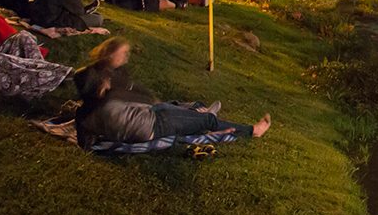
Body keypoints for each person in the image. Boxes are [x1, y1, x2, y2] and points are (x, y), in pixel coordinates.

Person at [75, 38, 268, 144]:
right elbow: (145, 102)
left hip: (148, 119)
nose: (126, 56)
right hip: (154, 125)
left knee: (176, 109)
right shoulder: (109, 97)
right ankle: (253, 131)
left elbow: (86, 142)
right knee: (206, 119)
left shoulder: (84, 114)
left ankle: (195, 113)